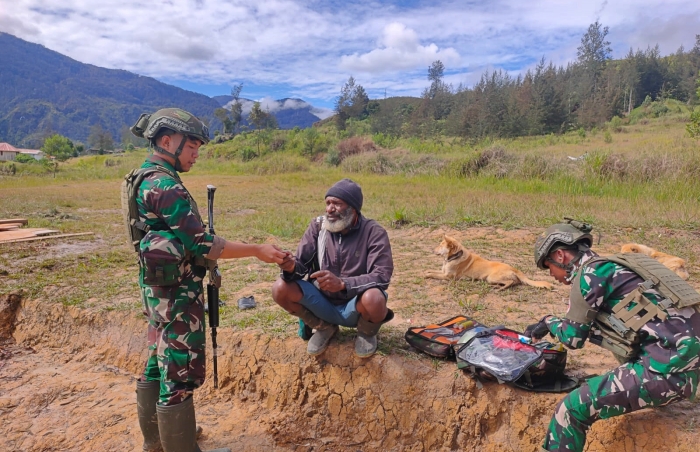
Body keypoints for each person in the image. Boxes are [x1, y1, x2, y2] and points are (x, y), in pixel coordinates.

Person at [126, 108, 287, 452]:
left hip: (157, 289)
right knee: (179, 372)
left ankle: (157, 442)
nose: (196, 154)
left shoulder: (142, 176)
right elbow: (202, 243)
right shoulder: (164, 185)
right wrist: (258, 249)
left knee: (157, 360)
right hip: (177, 294)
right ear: (167, 141)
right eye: (192, 147)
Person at [525, 219, 700, 452]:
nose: (551, 275)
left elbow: (572, 338)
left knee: (569, 411)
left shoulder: (589, 275)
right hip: (686, 366)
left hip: (668, 374)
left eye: (548, 267)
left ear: (560, 255)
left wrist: (547, 321)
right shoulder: (617, 266)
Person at [271, 178, 394, 357]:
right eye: (328, 203)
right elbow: (301, 265)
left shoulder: (373, 232)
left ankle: (366, 333)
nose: (330, 209)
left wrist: (344, 284)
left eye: (337, 204)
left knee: (375, 298)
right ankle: (324, 328)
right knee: (280, 288)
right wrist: (290, 267)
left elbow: (381, 276)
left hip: (356, 306)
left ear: (353, 208)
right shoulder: (318, 227)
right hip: (323, 302)